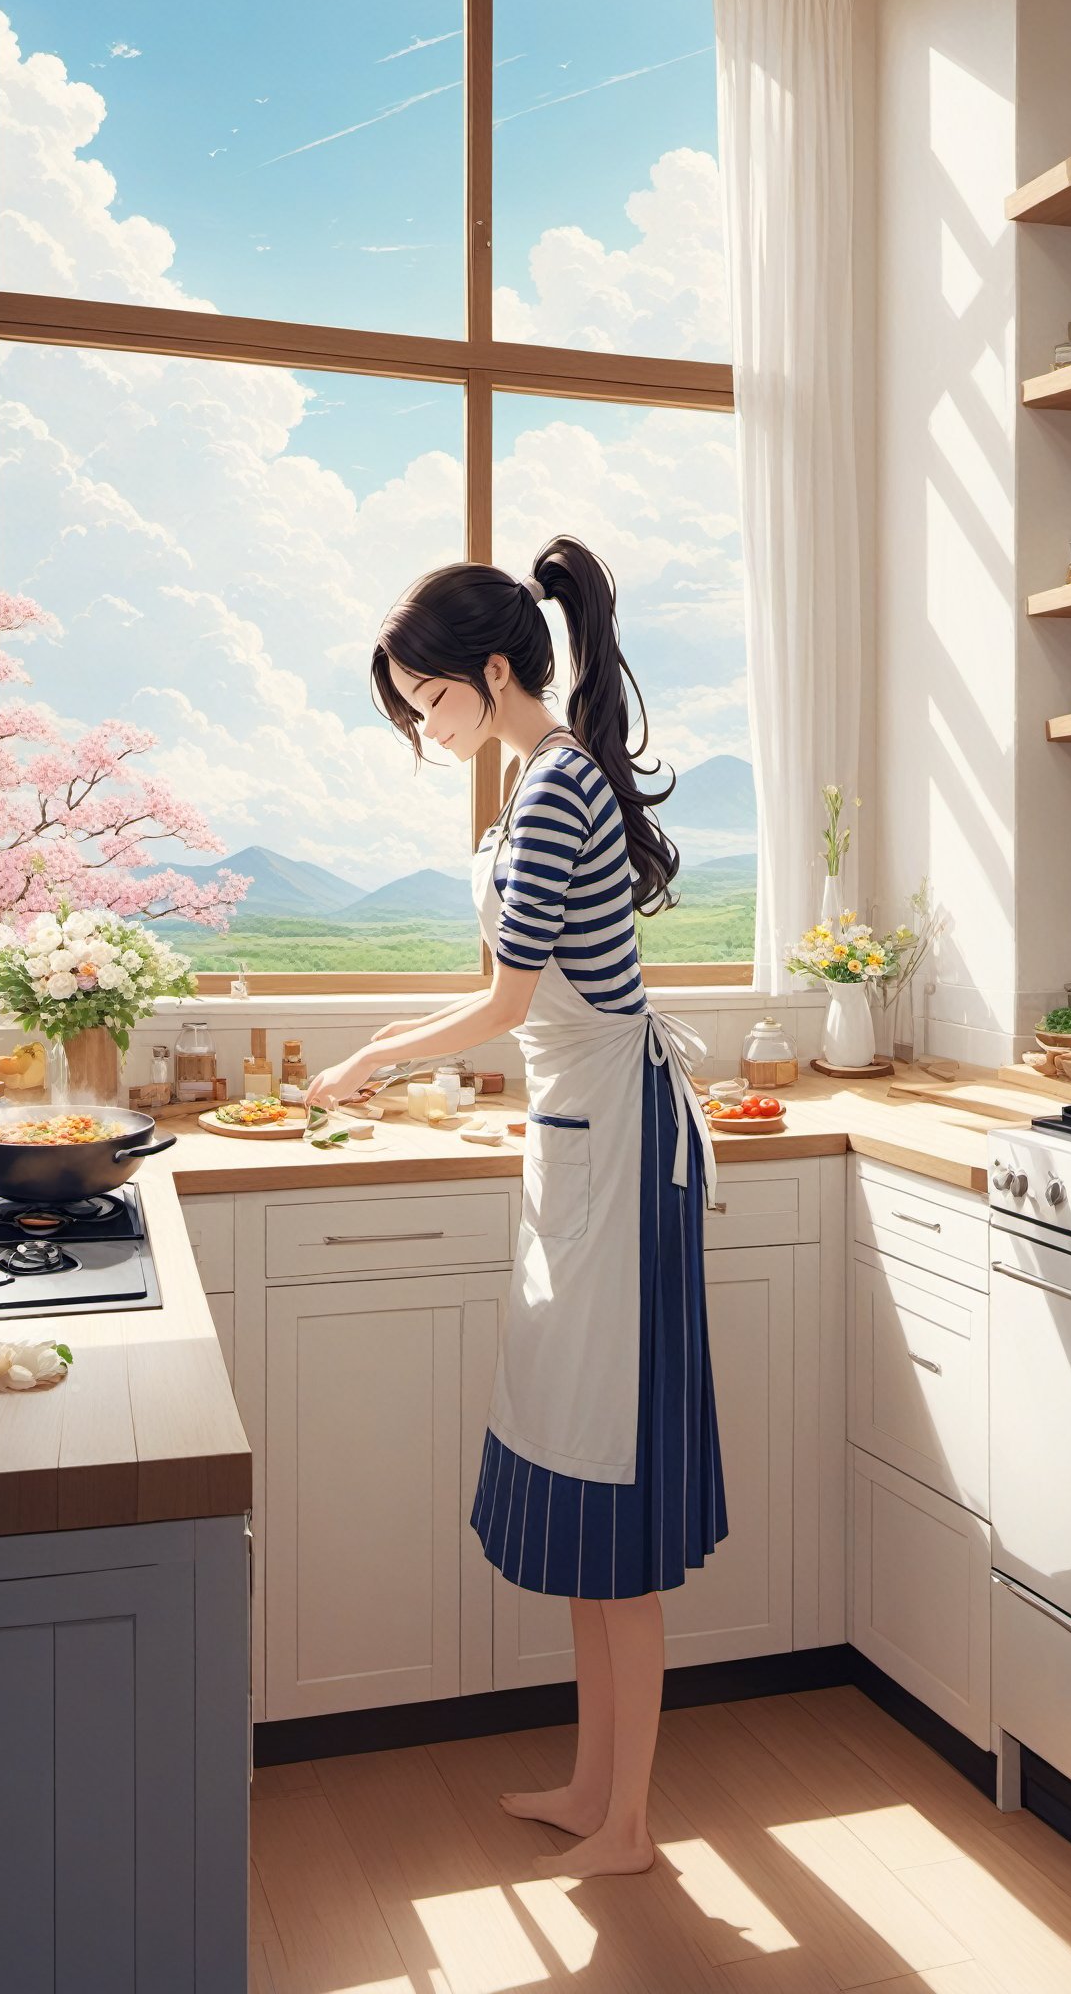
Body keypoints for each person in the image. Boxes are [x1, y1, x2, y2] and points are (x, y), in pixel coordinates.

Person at [306, 534, 726, 1878]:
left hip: (620, 1159)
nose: (426, 728)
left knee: (621, 1488)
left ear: (494, 671)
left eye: (430, 700)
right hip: (580, 1144)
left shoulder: (554, 794)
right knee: (582, 1466)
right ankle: (594, 1787)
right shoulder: (529, 794)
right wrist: (393, 1052)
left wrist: (373, 1054)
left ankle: (635, 1821)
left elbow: (503, 1005)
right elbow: (528, 1007)